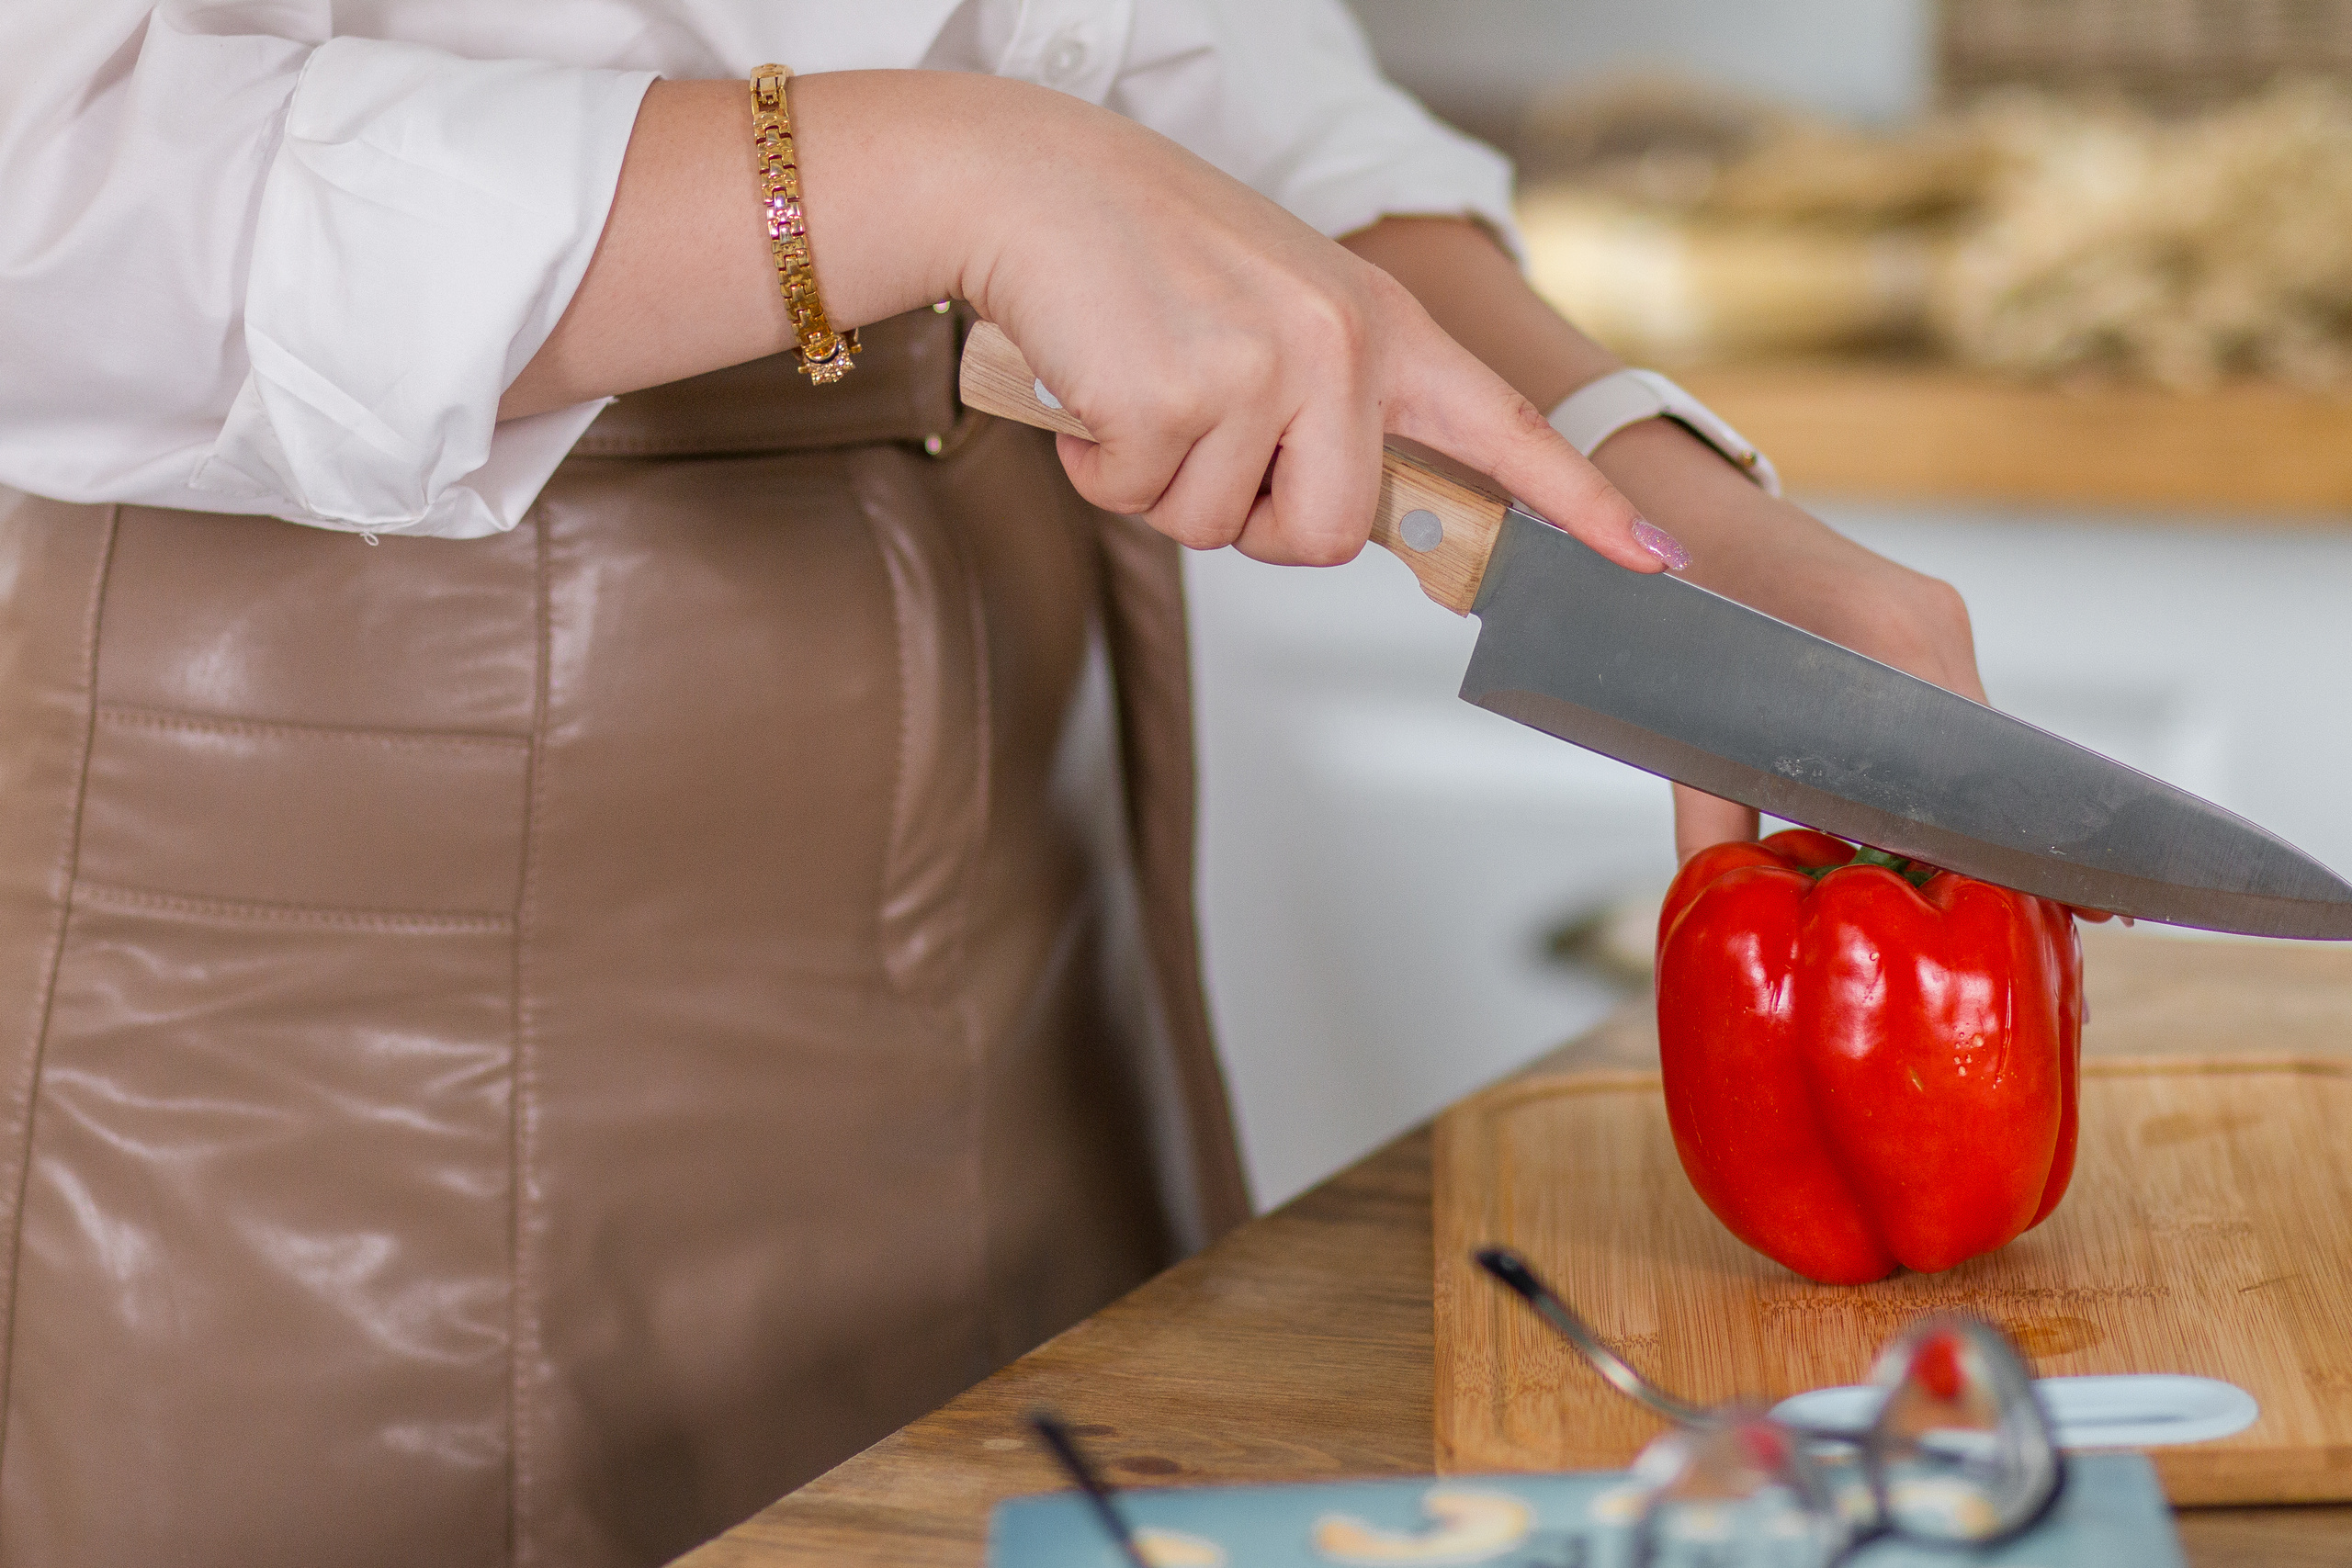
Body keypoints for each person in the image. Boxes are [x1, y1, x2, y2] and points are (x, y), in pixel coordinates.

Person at [0, 4, 1984, 1565]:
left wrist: (1629, 481)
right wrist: (943, 168)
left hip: (1025, 819)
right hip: (372, 902)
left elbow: (1183, 58)